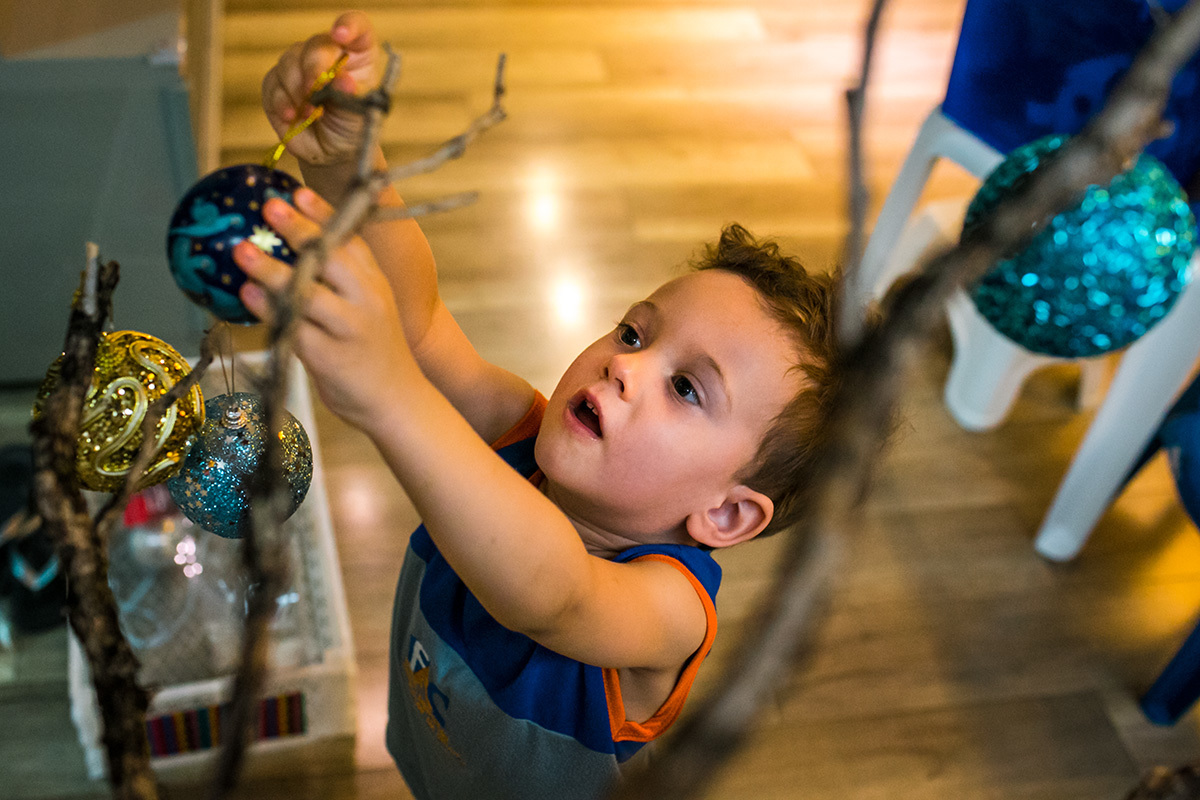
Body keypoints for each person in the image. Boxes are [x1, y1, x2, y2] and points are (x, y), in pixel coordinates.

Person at [237, 11, 841, 800]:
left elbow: (552, 596)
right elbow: (420, 326)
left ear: (725, 516)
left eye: (685, 387)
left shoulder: (670, 609)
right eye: (634, 332)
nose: (626, 368)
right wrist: (353, 166)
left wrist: (392, 400)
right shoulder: (521, 436)